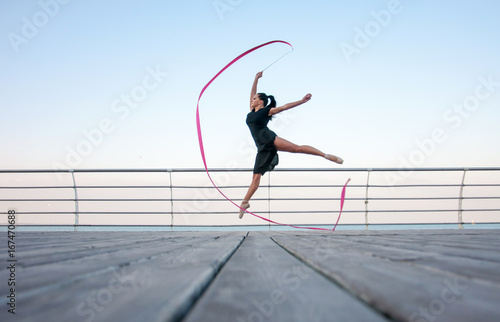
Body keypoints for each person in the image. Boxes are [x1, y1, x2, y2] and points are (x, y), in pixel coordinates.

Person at [239, 71, 343, 218]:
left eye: (255, 99)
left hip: (269, 139)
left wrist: (302, 101)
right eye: (253, 98)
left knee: (296, 148)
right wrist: (256, 78)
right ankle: (245, 202)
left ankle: (325, 155)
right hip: (261, 147)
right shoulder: (251, 111)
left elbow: (285, 107)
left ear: (261, 101)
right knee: (256, 178)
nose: (252, 99)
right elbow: (252, 92)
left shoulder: (266, 111)